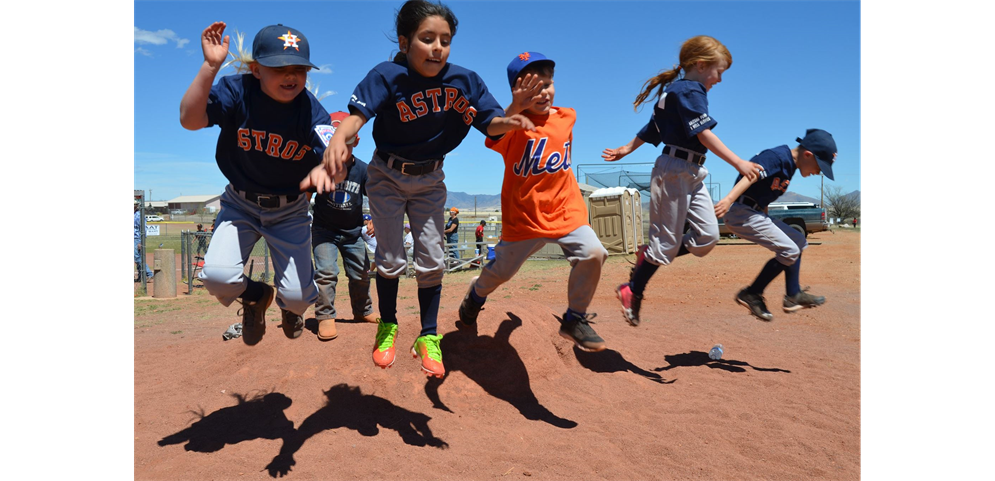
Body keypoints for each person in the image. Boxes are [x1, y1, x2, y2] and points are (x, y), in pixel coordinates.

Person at [304, 0, 535, 378]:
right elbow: (357, 118)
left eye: (445, 40)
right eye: (427, 38)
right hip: (387, 175)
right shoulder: (387, 75)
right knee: (391, 259)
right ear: (405, 40)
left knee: (432, 260)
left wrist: (511, 118)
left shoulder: (465, 80)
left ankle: (429, 336)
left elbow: (491, 123)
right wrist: (338, 141)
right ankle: (388, 325)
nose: (438, 47)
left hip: (430, 179)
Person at [179, 21, 330, 346]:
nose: (291, 76)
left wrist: (329, 167)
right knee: (217, 276)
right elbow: (190, 120)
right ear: (256, 69)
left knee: (301, 297)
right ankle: (257, 296)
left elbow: (334, 152)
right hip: (240, 204)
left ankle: (291, 309)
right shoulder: (238, 91)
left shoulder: (310, 111)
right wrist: (209, 67)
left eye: (299, 68)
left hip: (290, 210)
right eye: (280, 67)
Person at [602, 35, 762, 326]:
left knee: (707, 238)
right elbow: (702, 133)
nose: (720, 79)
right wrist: (739, 162)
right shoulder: (691, 89)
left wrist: (627, 147)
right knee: (665, 245)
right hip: (674, 171)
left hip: (692, 172)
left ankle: (649, 256)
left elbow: (652, 127)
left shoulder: (678, 91)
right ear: (701, 65)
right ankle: (632, 289)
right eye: (720, 71)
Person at [457, 51, 609, 352]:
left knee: (594, 252)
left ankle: (574, 318)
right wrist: (516, 108)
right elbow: (494, 128)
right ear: (516, 91)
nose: (543, 92)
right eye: (532, 88)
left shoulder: (567, 117)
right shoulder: (512, 127)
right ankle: (475, 297)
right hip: (525, 220)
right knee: (500, 274)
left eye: (547, 84)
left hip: (566, 210)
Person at [715, 129, 839, 321]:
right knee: (789, 250)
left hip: (754, 212)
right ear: (808, 155)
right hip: (742, 212)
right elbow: (751, 175)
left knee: (797, 240)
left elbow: (764, 194)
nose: (818, 172)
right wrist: (728, 199)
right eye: (819, 166)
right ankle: (752, 293)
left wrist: (768, 220)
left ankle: (793, 295)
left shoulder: (789, 166)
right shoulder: (777, 157)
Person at [311, 112, 379, 342]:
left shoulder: (363, 170)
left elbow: (377, 198)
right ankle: (325, 316)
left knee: (361, 274)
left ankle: (363, 311)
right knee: (327, 273)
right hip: (324, 231)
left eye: (346, 144)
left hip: (352, 233)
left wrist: (375, 219)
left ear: (356, 142)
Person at [134, 199, 154, 281]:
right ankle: (141, 276)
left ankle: (149, 273)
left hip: (137, 238)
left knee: (137, 257)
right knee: (137, 257)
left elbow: (143, 229)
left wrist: (141, 241)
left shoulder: (139, 215)